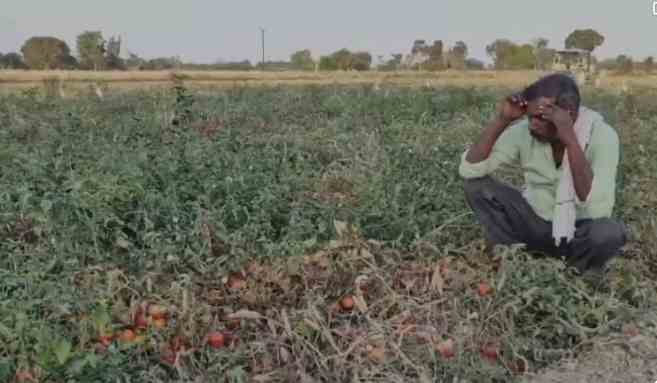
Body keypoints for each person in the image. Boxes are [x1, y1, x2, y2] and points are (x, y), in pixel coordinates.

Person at [459, 73, 627, 277]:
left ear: (569, 115)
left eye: (541, 118)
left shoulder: (602, 136)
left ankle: (578, 272)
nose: (533, 124)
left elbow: (594, 204)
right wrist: (502, 120)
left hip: (577, 230)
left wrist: (570, 141)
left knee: (609, 232)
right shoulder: (525, 131)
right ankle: (510, 256)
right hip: (536, 222)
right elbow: (470, 169)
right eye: (530, 117)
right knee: (477, 187)